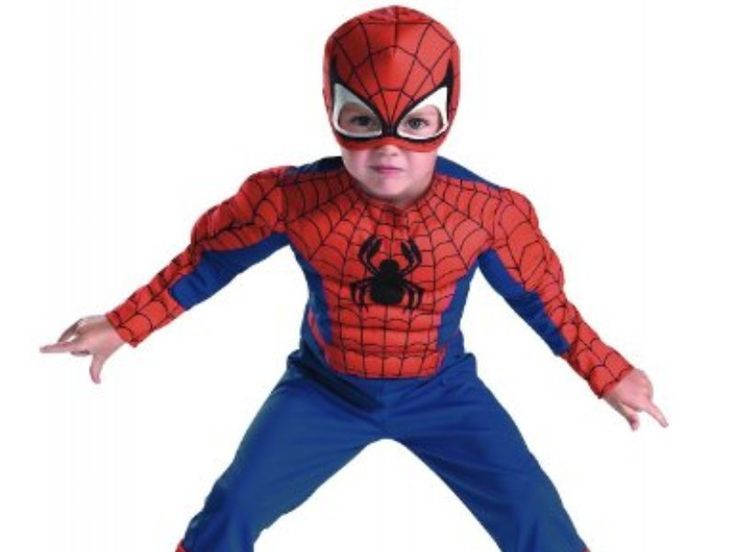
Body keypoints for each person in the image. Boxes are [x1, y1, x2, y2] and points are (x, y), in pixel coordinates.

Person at [39, 5, 668, 552]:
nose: (388, 148)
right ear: (332, 109)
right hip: (324, 391)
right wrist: (123, 325)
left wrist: (605, 371)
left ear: (447, 114)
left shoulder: (487, 213)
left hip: (444, 395)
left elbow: (542, 300)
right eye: (363, 123)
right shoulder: (292, 198)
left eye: (415, 125)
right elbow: (207, 262)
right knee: (229, 512)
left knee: (537, 519)